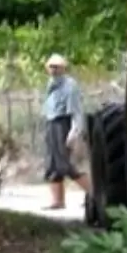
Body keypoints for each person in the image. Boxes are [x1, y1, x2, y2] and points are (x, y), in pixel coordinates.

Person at [40, 53, 91, 210]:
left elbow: (76, 111)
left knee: (66, 164)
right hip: (52, 123)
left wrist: (74, 132)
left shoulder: (70, 85)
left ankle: (94, 193)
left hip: (64, 124)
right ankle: (58, 201)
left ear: (63, 68)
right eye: (51, 67)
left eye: (57, 67)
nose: (53, 70)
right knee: (52, 164)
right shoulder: (51, 84)